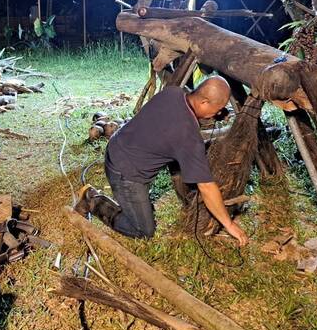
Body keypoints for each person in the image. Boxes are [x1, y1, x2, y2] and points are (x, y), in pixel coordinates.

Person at [74, 76, 249, 246]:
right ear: (204, 102)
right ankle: (93, 200)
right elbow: (206, 187)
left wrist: (213, 112)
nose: (218, 113)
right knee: (143, 230)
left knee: (180, 162)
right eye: (218, 109)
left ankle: (182, 196)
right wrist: (229, 224)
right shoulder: (188, 137)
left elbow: (177, 121)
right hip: (124, 172)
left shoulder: (173, 93)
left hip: (118, 144)